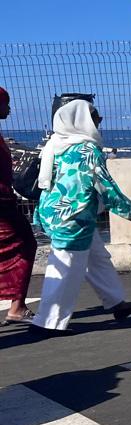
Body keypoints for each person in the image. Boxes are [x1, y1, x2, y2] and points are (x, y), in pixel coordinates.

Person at [30, 99, 131, 334]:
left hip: (54, 213)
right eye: (96, 116)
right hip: (74, 218)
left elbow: (46, 183)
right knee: (65, 268)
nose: (99, 121)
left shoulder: (55, 145)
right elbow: (107, 190)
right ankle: (46, 322)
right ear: (82, 120)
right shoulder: (88, 150)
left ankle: (116, 302)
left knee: (97, 259)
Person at [0, 87, 37, 325]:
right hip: (3, 205)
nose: (9, 109)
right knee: (26, 245)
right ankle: (17, 306)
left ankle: (17, 304)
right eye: (5, 103)